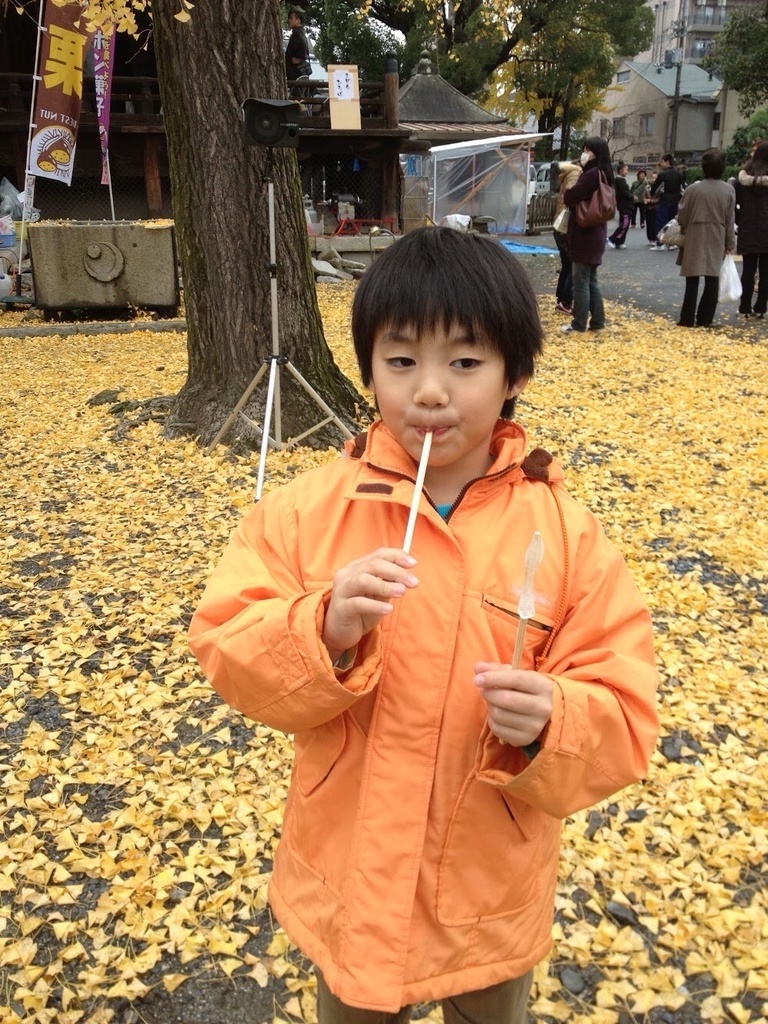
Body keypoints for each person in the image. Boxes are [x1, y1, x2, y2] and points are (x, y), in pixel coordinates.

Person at [188, 226, 660, 1023]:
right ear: (368, 369)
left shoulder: (564, 536)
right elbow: (226, 640)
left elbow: (625, 706)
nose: (430, 392)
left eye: (465, 363)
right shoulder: (311, 511)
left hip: (486, 891)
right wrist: (321, 629)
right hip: (351, 879)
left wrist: (554, 721)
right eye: (401, 361)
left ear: (515, 375)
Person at [676, 148, 736, 328]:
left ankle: (687, 318)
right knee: (712, 278)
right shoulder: (728, 190)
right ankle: (705, 318)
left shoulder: (692, 189)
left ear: (703, 167)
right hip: (717, 233)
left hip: (695, 233)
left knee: (692, 278)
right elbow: (730, 220)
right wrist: (730, 243)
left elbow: (682, 216)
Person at [561, 136, 615, 334]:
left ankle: (579, 324)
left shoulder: (591, 175)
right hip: (597, 232)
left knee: (580, 282)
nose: (584, 154)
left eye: (587, 150)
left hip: (584, 235)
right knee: (591, 280)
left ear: (595, 153)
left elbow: (571, 197)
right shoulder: (606, 174)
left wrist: (568, 189)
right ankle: (598, 322)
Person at [735, 139, 768, 319]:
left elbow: (736, 204)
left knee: (748, 269)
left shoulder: (743, 178)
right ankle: (761, 307)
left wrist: (740, 221)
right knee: (766, 271)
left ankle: (744, 307)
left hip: (748, 227)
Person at [552, 157, 581, 314]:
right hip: (566, 227)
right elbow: (572, 195)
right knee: (572, 264)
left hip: (559, 225)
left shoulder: (565, 175)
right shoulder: (576, 174)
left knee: (566, 264)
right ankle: (566, 301)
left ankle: (561, 298)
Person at [650, 153, 684, 250]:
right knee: (673, 222)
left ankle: (660, 243)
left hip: (664, 200)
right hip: (676, 201)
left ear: (667, 162)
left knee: (661, 221)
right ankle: (672, 243)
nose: (660, 164)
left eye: (662, 161)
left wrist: (653, 193)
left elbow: (655, 188)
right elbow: (683, 188)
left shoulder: (663, 174)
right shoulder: (679, 174)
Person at [607, 161, 632, 249]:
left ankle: (619, 242)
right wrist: (632, 197)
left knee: (625, 224)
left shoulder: (621, 180)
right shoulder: (619, 180)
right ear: (621, 170)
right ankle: (612, 239)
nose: (627, 172)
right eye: (626, 170)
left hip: (626, 205)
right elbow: (625, 193)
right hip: (624, 205)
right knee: (624, 224)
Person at [285, 6, 311, 86]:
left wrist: (300, 59)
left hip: (295, 70)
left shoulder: (297, 33)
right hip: (297, 69)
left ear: (298, 21)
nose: (289, 20)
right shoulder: (301, 32)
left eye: (291, 18)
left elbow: (303, 44)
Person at [644, 171, 660, 245]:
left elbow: (660, 199)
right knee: (648, 224)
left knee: (654, 224)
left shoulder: (660, 188)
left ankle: (655, 238)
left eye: (655, 178)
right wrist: (644, 199)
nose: (654, 179)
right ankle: (650, 238)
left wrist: (650, 200)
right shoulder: (647, 187)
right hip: (648, 208)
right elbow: (643, 195)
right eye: (652, 178)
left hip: (656, 208)